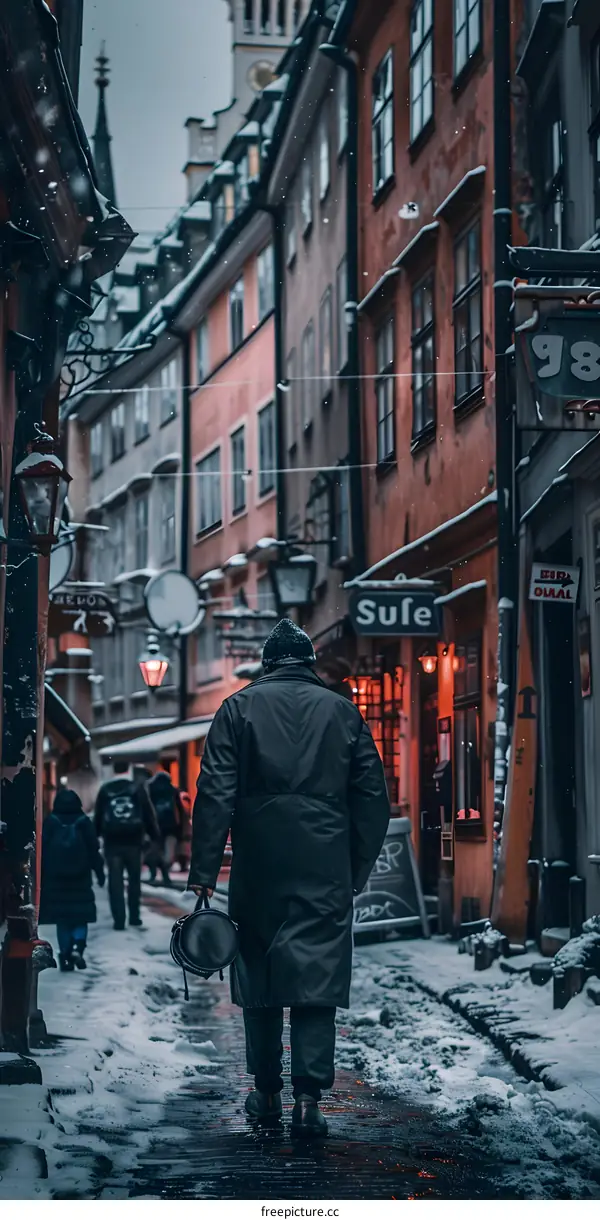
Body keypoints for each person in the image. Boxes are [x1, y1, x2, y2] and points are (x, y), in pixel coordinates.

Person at [188, 618, 390, 1138]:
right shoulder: (343, 712)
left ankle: (265, 1092)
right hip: (324, 867)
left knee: (259, 978)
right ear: (309, 663)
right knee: (316, 983)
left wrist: (205, 872)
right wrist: (356, 868)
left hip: (259, 864)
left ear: (267, 663)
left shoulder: (238, 709)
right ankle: (309, 1100)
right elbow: (373, 800)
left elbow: (215, 794)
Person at [39, 789, 105, 971]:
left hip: (56, 880)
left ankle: (65, 954)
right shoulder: (84, 822)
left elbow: (42, 851)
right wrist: (100, 873)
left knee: (63, 919)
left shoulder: (51, 822)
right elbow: (93, 850)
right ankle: (78, 946)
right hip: (81, 879)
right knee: (80, 917)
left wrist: (42, 878)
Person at [94, 759, 159, 930]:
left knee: (115, 881)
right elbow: (148, 813)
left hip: (112, 843)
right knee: (134, 880)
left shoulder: (105, 789)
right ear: (129, 769)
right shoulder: (137, 788)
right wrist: (154, 835)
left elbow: (98, 816)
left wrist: (95, 837)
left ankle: (119, 919)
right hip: (134, 842)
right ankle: (135, 916)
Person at [146, 769, 184, 886]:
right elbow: (180, 810)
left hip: (154, 827)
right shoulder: (173, 790)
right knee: (168, 854)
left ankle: (153, 874)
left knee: (154, 852)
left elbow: (146, 809)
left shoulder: (150, 790)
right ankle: (166, 876)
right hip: (171, 826)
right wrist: (180, 829)